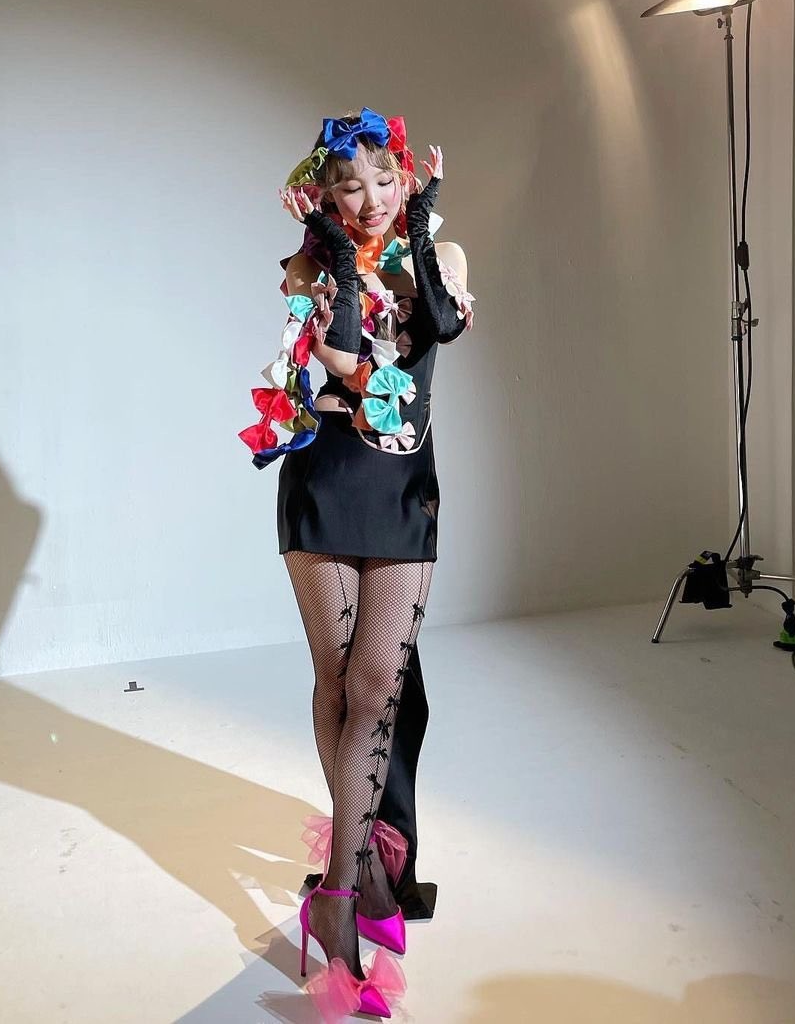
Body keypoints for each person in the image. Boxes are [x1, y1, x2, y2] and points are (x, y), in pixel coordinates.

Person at [239, 109, 474, 1020]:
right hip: (325, 481)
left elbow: (438, 331)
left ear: (405, 179)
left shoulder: (442, 259)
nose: (369, 198)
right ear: (327, 195)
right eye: (349, 185)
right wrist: (334, 252)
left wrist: (416, 225)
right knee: (338, 680)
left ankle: (349, 877)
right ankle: (348, 892)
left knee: (380, 685)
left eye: (384, 180)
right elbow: (338, 356)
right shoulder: (309, 264)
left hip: (403, 485)